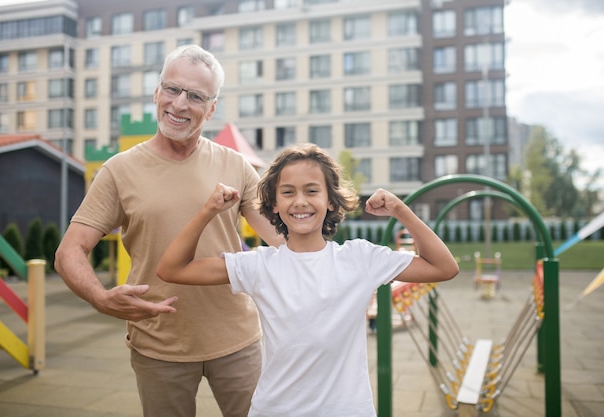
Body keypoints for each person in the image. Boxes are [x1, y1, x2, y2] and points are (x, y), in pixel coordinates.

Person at [54, 44, 282, 417]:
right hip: (159, 344)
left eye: (195, 96)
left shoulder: (235, 164)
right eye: (172, 89)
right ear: (157, 92)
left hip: (238, 338)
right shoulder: (118, 170)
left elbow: (280, 237)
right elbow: (69, 252)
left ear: (211, 108)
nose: (179, 104)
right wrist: (100, 297)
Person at [156, 143, 460, 417]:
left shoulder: (360, 259)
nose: (300, 201)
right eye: (288, 192)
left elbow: (444, 267)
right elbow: (172, 269)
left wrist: (400, 210)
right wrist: (208, 211)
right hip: (275, 410)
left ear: (330, 201)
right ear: (274, 204)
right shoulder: (259, 266)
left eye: (312, 191)